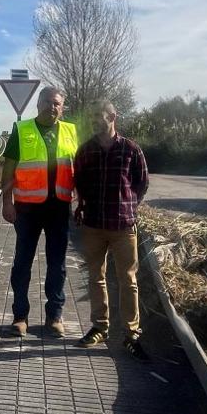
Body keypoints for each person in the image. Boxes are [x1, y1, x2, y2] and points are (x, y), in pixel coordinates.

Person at [0, 86, 79, 338]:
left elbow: (77, 169)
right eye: (46, 102)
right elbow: (9, 170)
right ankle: (20, 316)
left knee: (57, 264)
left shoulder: (70, 131)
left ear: (62, 107)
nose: (51, 106)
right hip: (27, 209)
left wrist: (81, 203)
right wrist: (7, 202)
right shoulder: (22, 130)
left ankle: (54, 316)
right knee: (22, 263)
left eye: (56, 103)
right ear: (38, 104)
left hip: (59, 208)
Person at [72, 100, 149, 354]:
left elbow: (142, 183)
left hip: (122, 226)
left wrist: (129, 206)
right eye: (91, 117)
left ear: (113, 116)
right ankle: (100, 328)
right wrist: (83, 205)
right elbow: (79, 182)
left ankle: (131, 333)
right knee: (96, 278)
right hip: (93, 225)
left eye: (99, 116)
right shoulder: (85, 151)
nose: (94, 121)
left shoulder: (131, 150)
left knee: (128, 279)